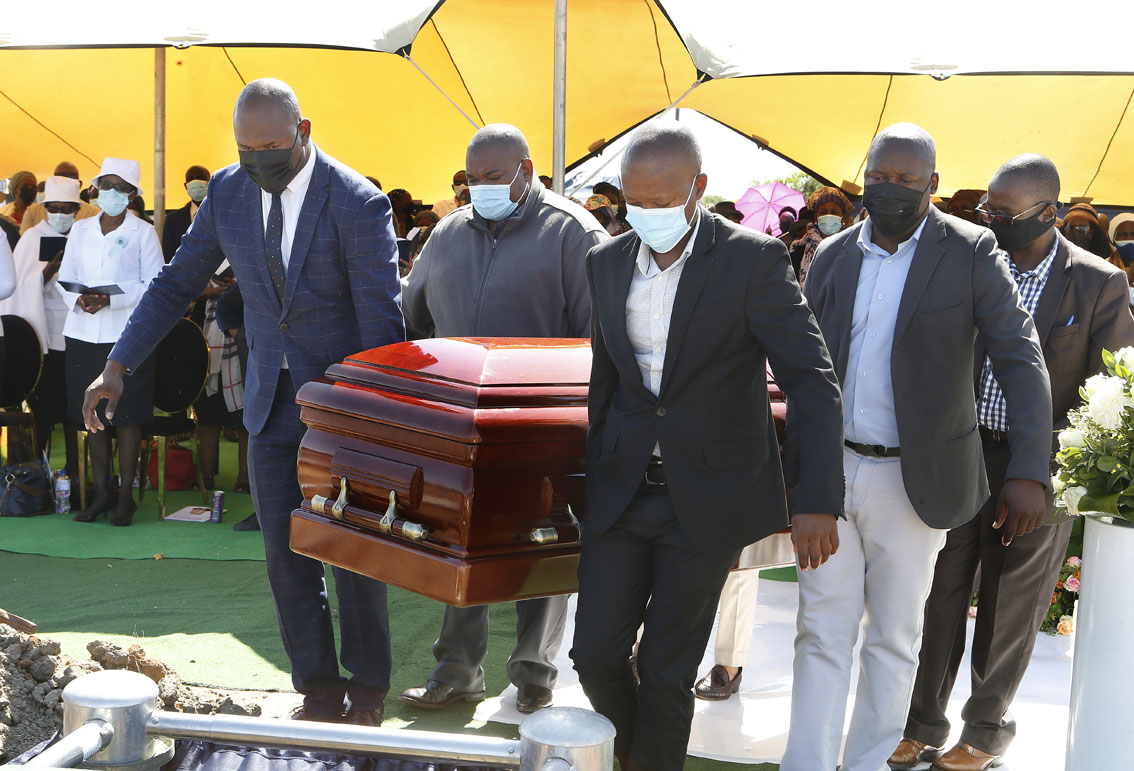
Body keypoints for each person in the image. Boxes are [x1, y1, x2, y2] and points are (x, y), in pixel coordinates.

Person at [80, 79, 404, 724]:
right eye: (245, 148)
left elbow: (381, 322)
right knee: (284, 556)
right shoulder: (228, 192)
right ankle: (317, 690)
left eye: (271, 147)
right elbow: (175, 284)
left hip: (345, 409)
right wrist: (116, 365)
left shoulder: (355, 200)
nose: (258, 160)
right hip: (268, 403)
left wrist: (378, 422)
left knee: (353, 554)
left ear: (303, 132)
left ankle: (367, 690)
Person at [571, 124, 844, 771]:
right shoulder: (606, 262)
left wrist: (816, 497)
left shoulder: (752, 260)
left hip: (708, 498)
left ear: (698, 187)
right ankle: (638, 754)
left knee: (667, 669)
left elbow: (812, 378)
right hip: (621, 491)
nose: (646, 214)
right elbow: (607, 379)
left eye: (662, 201)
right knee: (594, 655)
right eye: (635, 201)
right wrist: (593, 472)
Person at [780, 123, 1053, 771]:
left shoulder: (972, 250)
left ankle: (868, 763)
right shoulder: (835, 255)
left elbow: (1020, 359)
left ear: (933, 183)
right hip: (833, 473)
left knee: (895, 638)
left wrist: (1029, 469)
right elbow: (804, 374)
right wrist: (805, 481)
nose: (890, 189)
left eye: (905, 179)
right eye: (879, 177)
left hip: (915, 481)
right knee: (819, 632)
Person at [890, 155, 1134, 771]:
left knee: (1010, 605)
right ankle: (920, 725)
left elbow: (1111, 389)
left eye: (1004, 212)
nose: (990, 220)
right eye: (986, 209)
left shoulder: (1099, 282)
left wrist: (1041, 472)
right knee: (938, 594)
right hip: (960, 459)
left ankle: (985, 733)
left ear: (1048, 213)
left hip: (1035, 473)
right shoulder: (970, 263)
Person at [400, 123, 604, 715]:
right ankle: (456, 672)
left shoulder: (572, 233)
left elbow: (597, 335)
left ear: (527, 169)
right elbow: (415, 317)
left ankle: (534, 674)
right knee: (460, 541)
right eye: (472, 179)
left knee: (543, 543)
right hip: (461, 424)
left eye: (493, 177)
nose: (480, 188)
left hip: (544, 427)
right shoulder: (446, 233)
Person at [59, 158, 164, 527]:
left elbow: (155, 284)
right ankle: (101, 493)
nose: (113, 193)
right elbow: (66, 276)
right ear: (96, 188)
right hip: (83, 332)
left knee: (128, 416)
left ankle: (125, 498)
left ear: (132, 195)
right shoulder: (80, 229)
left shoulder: (144, 232)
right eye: (108, 185)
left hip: (127, 337)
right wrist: (80, 299)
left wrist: (111, 299)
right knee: (91, 415)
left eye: (122, 188)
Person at [0, 176, 82, 481]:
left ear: (76, 209)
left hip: (78, 334)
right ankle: (35, 479)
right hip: (43, 338)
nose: (60, 214)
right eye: (53, 208)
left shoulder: (85, 235)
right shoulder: (32, 237)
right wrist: (45, 274)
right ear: (45, 208)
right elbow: (16, 287)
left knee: (76, 412)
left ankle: (76, 476)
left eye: (66, 208)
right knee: (43, 413)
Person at [20, 162, 101, 234]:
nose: (63, 182)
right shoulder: (33, 212)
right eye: (53, 209)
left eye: (67, 209)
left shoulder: (94, 214)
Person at [794, 185, 855, 281]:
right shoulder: (800, 248)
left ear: (843, 218)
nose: (828, 216)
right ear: (816, 217)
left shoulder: (852, 247)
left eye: (834, 212)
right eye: (823, 212)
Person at [162, 166, 211, 261]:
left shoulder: (222, 216)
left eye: (200, 177)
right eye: (191, 179)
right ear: (186, 186)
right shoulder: (173, 220)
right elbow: (168, 256)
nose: (195, 181)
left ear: (209, 183)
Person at [1106, 211, 1134, 284]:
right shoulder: (1104, 267)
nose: (1129, 239)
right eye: (1122, 235)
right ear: (1113, 240)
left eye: (1133, 234)